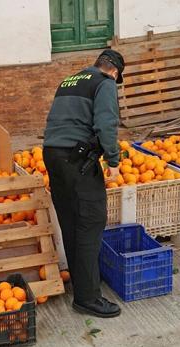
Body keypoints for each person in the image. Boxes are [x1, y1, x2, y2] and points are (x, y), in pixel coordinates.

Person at [42, 49, 125, 318]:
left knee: (71, 221)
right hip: (76, 158)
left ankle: (83, 283)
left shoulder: (68, 80)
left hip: (53, 156)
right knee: (90, 221)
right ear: (114, 71)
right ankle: (88, 299)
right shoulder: (105, 82)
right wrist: (113, 160)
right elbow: (106, 123)